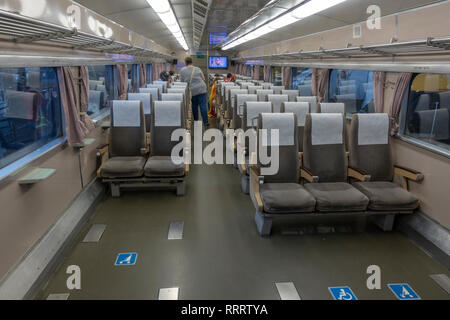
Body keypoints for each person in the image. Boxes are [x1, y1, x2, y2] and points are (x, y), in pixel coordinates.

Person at [180, 57, 209, 127]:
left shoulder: (182, 70)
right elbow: (203, 78)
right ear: (191, 62)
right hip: (201, 88)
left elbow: (182, 81)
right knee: (203, 105)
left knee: (194, 105)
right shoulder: (197, 68)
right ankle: (205, 122)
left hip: (192, 90)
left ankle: (196, 121)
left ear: (185, 62)